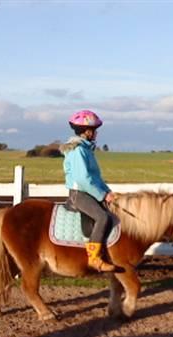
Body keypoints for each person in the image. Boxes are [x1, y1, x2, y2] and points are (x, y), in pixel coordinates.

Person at [60, 110, 117, 272]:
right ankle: (94, 258)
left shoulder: (86, 150)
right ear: (87, 131)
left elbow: (96, 178)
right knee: (102, 217)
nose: (96, 133)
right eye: (94, 130)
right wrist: (103, 194)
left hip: (87, 191)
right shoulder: (78, 151)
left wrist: (108, 192)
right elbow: (83, 179)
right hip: (80, 194)